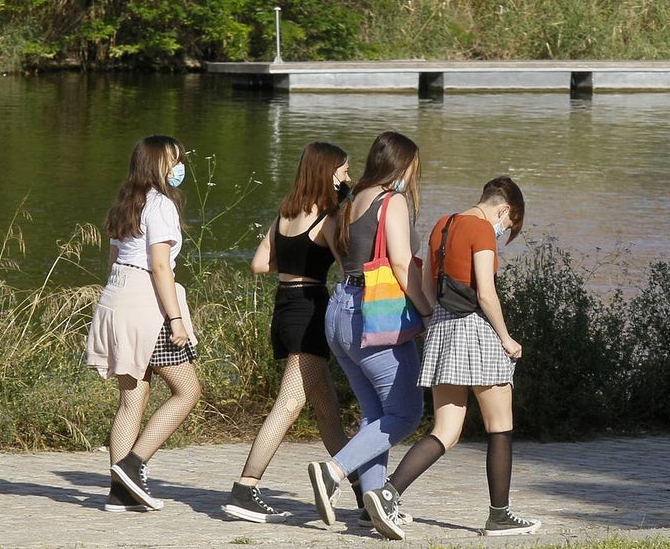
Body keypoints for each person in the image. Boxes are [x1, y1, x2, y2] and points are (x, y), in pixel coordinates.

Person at [363, 176, 541, 539]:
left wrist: (433, 322)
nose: (503, 231)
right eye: (508, 225)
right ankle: (499, 516)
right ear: (504, 209)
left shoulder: (442, 225)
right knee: (500, 426)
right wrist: (506, 338)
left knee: (445, 431)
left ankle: (386, 493)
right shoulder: (482, 230)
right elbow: (486, 294)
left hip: (442, 330)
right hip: (476, 330)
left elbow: (427, 285)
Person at [221, 142, 361, 523]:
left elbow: (258, 264)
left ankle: (364, 492)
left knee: (327, 411)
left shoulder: (284, 216)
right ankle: (245, 487)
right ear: (328, 174)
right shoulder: (328, 219)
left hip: (283, 308)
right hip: (309, 310)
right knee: (287, 406)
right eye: (344, 172)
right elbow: (348, 268)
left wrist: (294, 259)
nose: (348, 178)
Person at [307, 131, 432, 529]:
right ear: (403, 164)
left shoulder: (351, 199)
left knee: (376, 414)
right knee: (406, 413)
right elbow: (401, 264)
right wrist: (426, 312)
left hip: (340, 310)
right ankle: (334, 471)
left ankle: (372, 506)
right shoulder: (390, 201)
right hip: (375, 315)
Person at [87, 135, 202, 512]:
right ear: (158, 164)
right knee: (188, 390)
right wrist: (176, 318)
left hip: (116, 298)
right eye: (175, 160)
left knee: (131, 400)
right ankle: (132, 466)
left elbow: (113, 259)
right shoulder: (161, 205)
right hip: (147, 302)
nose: (180, 167)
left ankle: (120, 494)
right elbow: (160, 266)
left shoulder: (125, 203)